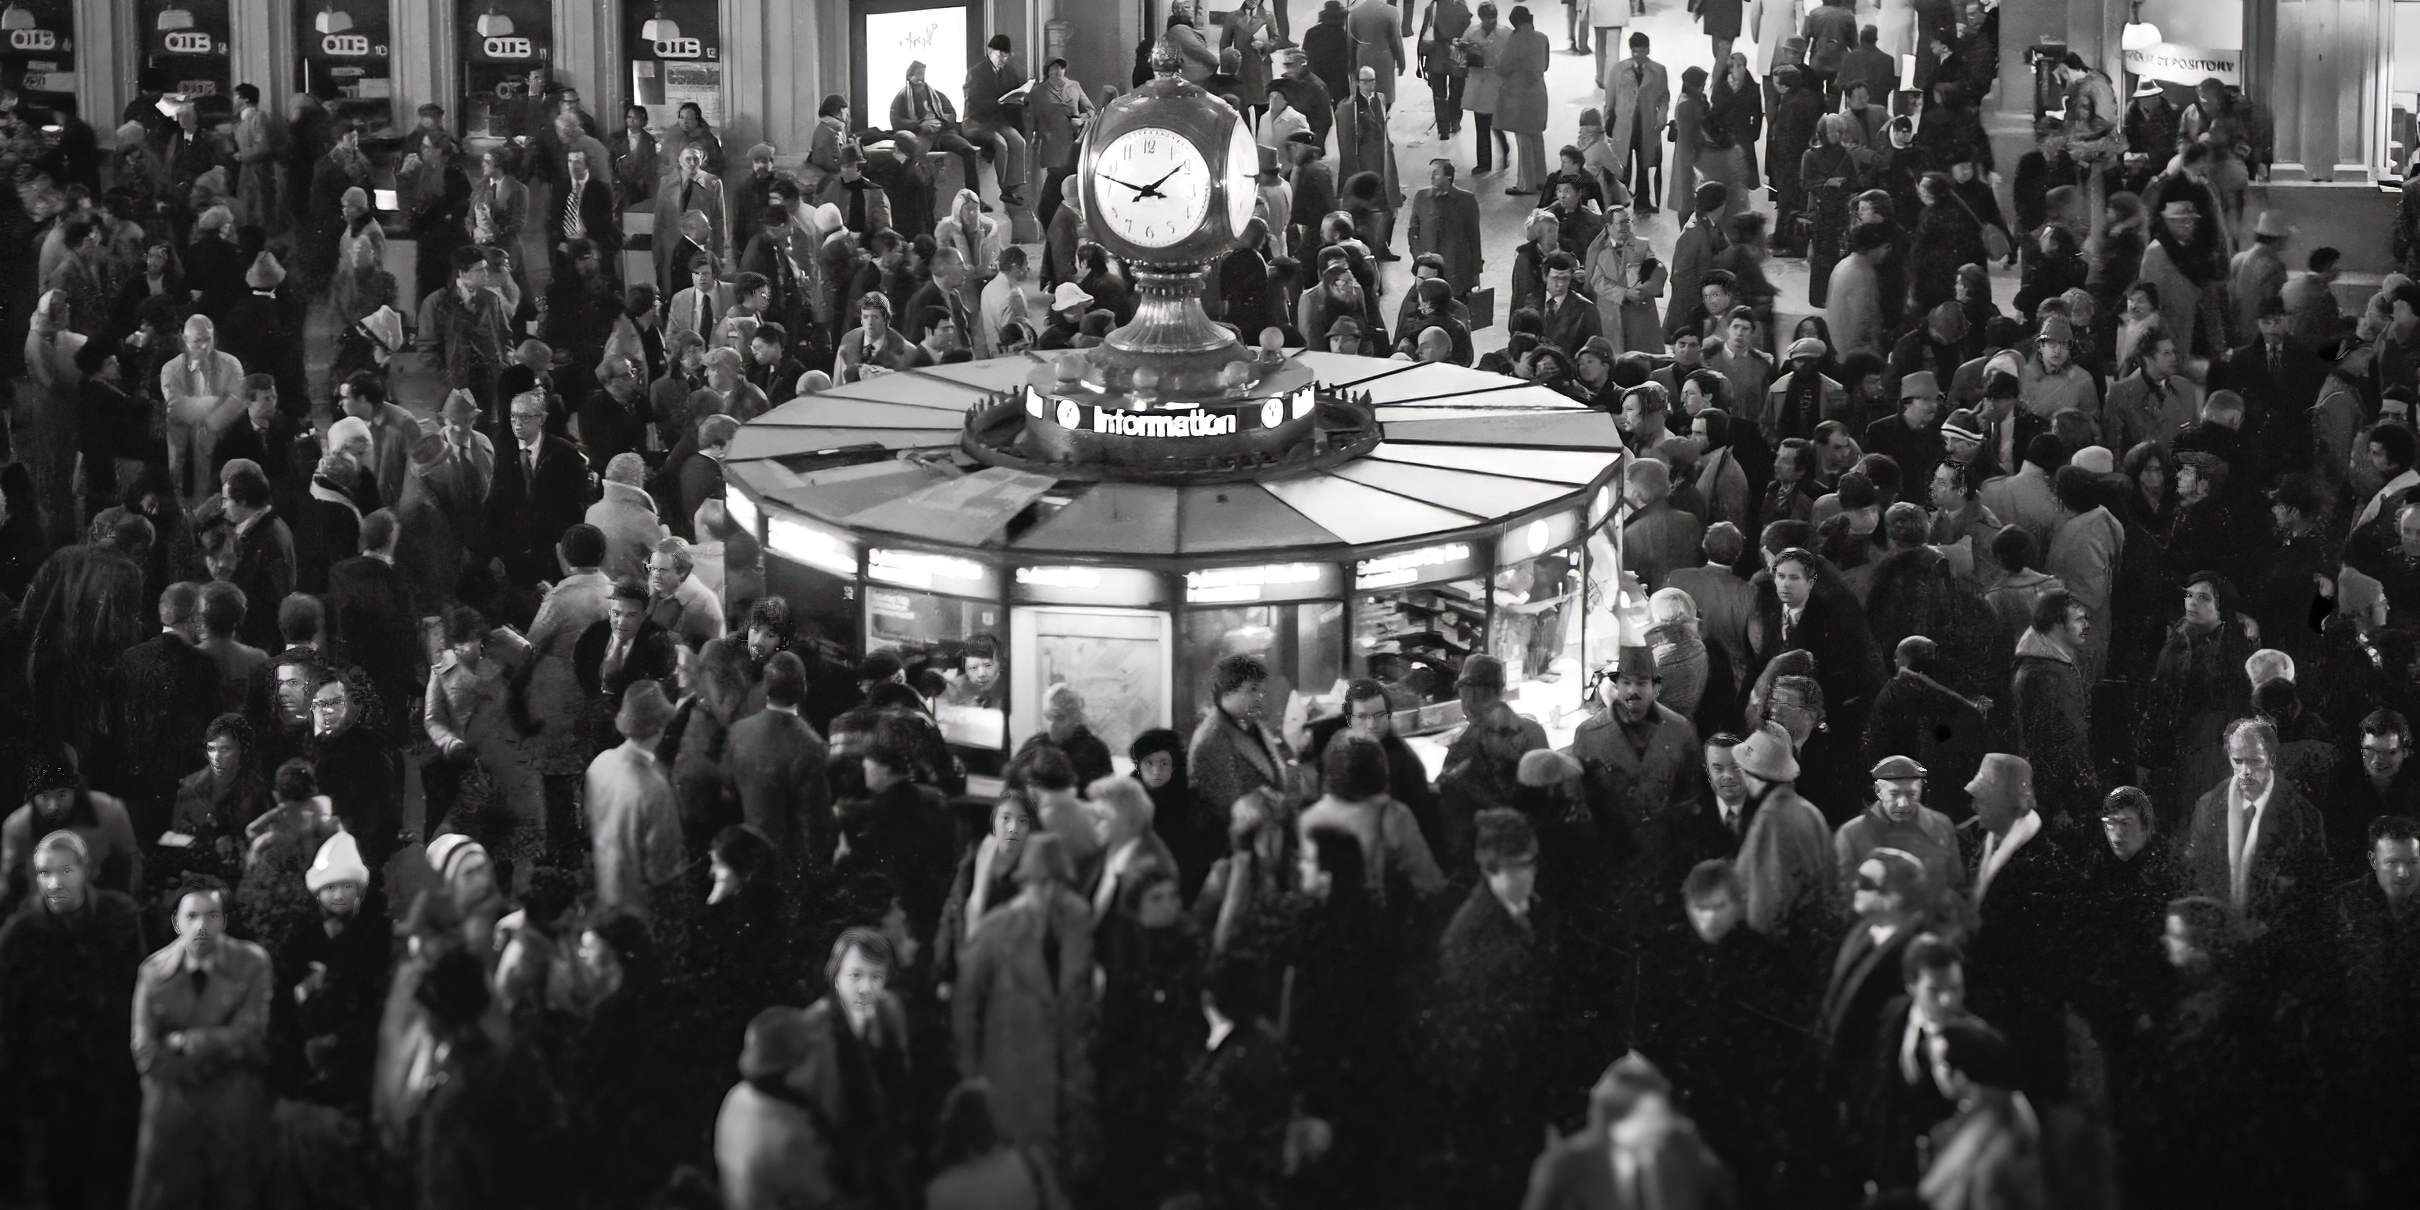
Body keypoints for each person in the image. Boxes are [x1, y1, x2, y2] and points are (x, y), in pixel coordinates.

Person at [0, 830, 146, 1210]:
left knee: (117, 1179)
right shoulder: (20, 933)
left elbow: (142, 991)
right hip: (50, 1081)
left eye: (65, 870)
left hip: (112, 1073)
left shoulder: (121, 917)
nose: (55, 882)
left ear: (86, 871)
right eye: (45, 873)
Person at [129, 877, 274, 1210]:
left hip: (230, 1100)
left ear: (224, 921)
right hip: (171, 1103)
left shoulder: (252, 963)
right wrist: (184, 1067)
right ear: (176, 923)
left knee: (232, 1192)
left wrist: (188, 1042)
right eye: (191, 916)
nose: (201, 926)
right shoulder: (152, 972)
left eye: (212, 916)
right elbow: (144, 1051)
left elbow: (250, 1033)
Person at [1603, 30, 1669, 212]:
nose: (1638, 55)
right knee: (1622, 167)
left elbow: (1664, 96)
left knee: (1644, 166)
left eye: (1641, 50)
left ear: (1648, 50)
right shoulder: (1618, 70)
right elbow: (1610, 98)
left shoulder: (1659, 71)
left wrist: (1662, 116)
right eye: (1634, 51)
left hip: (1646, 126)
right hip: (1623, 125)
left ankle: (1642, 204)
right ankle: (1619, 204)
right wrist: (1606, 122)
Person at [1496, 6, 1553, 195]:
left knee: (1523, 139)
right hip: (1538, 92)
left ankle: (1525, 183)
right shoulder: (1542, 38)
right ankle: (1541, 179)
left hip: (1519, 95)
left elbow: (1502, 67)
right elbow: (1545, 65)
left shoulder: (1515, 39)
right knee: (1537, 136)